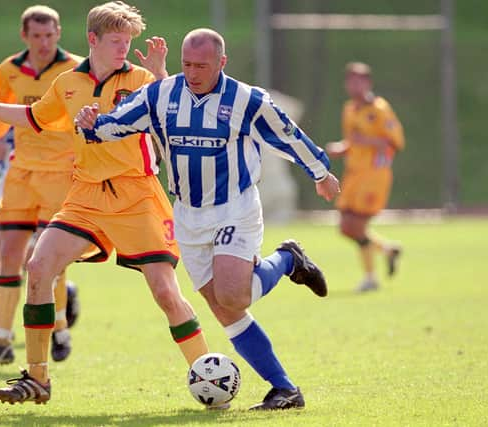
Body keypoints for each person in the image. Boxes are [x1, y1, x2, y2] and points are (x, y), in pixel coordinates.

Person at [0, 1, 210, 406]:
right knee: (38, 266)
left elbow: (175, 107)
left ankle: (208, 372)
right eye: (117, 41)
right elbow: (32, 116)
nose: (124, 48)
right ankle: (37, 378)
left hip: (135, 195)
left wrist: (159, 71)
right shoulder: (68, 83)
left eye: (128, 41)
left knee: (165, 292)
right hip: (85, 194)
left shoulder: (139, 77)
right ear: (93, 40)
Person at [74, 28, 341, 411]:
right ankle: (285, 389)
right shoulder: (160, 94)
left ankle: (286, 260)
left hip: (235, 207)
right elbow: (118, 122)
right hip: (187, 214)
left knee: (234, 294)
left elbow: (287, 134)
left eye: (202, 65)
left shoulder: (246, 99)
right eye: (187, 65)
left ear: (222, 63)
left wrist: (321, 173)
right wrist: (91, 125)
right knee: (225, 310)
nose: (194, 72)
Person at [0, 5, 84, 368]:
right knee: (9, 255)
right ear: (25, 36)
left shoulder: (75, 69)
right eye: (37, 36)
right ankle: (1, 338)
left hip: (61, 173)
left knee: (52, 258)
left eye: (50, 35)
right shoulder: (9, 70)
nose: (44, 42)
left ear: (59, 33)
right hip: (21, 173)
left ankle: (60, 327)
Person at [325, 62, 404, 293]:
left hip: (373, 176)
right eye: (350, 80)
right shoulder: (349, 108)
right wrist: (342, 148)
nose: (354, 84)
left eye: (359, 80)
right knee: (346, 227)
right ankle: (388, 250)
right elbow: (353, 141)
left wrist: (365, 142)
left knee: (355, 225)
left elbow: (394, 143)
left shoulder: (379, 109)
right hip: (354, 175)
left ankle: (370, 278)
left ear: (368, 83)